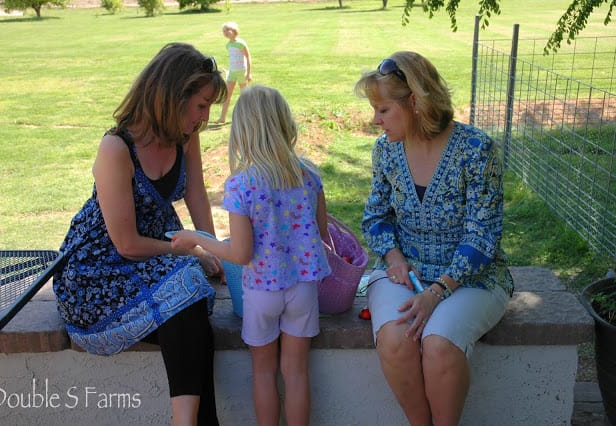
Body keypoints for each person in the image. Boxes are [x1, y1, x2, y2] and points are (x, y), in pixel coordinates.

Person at [52, 42, 228, 426]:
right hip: (98, 272)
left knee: (190, 316)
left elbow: (196, 193)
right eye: (201, 105)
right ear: (171, 96)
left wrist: (214, 250)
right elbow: (126, 244)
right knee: (186, 292)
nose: (205, 116)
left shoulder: (185, 136)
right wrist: (193, 252)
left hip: (156, 260)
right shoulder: (117, 147)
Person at [354, 51, 514, 426]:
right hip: (404, 271)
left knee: (439, 344)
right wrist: (393, 258)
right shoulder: (386, 150)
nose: (375, 120)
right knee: (395, 339)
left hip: (472, 278)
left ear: (415, 102)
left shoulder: (476, 149)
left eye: (383, 110)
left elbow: (483, 233)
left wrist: (437, 291)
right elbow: (375, 217)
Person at [171, 84, 331, 426]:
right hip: (303, 289)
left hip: (260, 292)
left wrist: (197, 239)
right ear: (284, 124)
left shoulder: (242, 184)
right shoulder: (310, 175)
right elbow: (321, 234)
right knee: (297, 374)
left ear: (244, 131)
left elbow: (240, 253)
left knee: (263, 373)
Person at [215, 21, 252, 124]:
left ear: (234, 31)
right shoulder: (228, 45)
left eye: (228, 30)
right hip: (232, 72)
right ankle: (222, 117)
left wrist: (249, 73)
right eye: (224, 31)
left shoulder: (241, 43)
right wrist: (229, 71)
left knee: (244, 95)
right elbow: (233, 58)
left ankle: (247, 117)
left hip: (242, 72)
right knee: (227, 95)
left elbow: (248, 57)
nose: (226, 32)